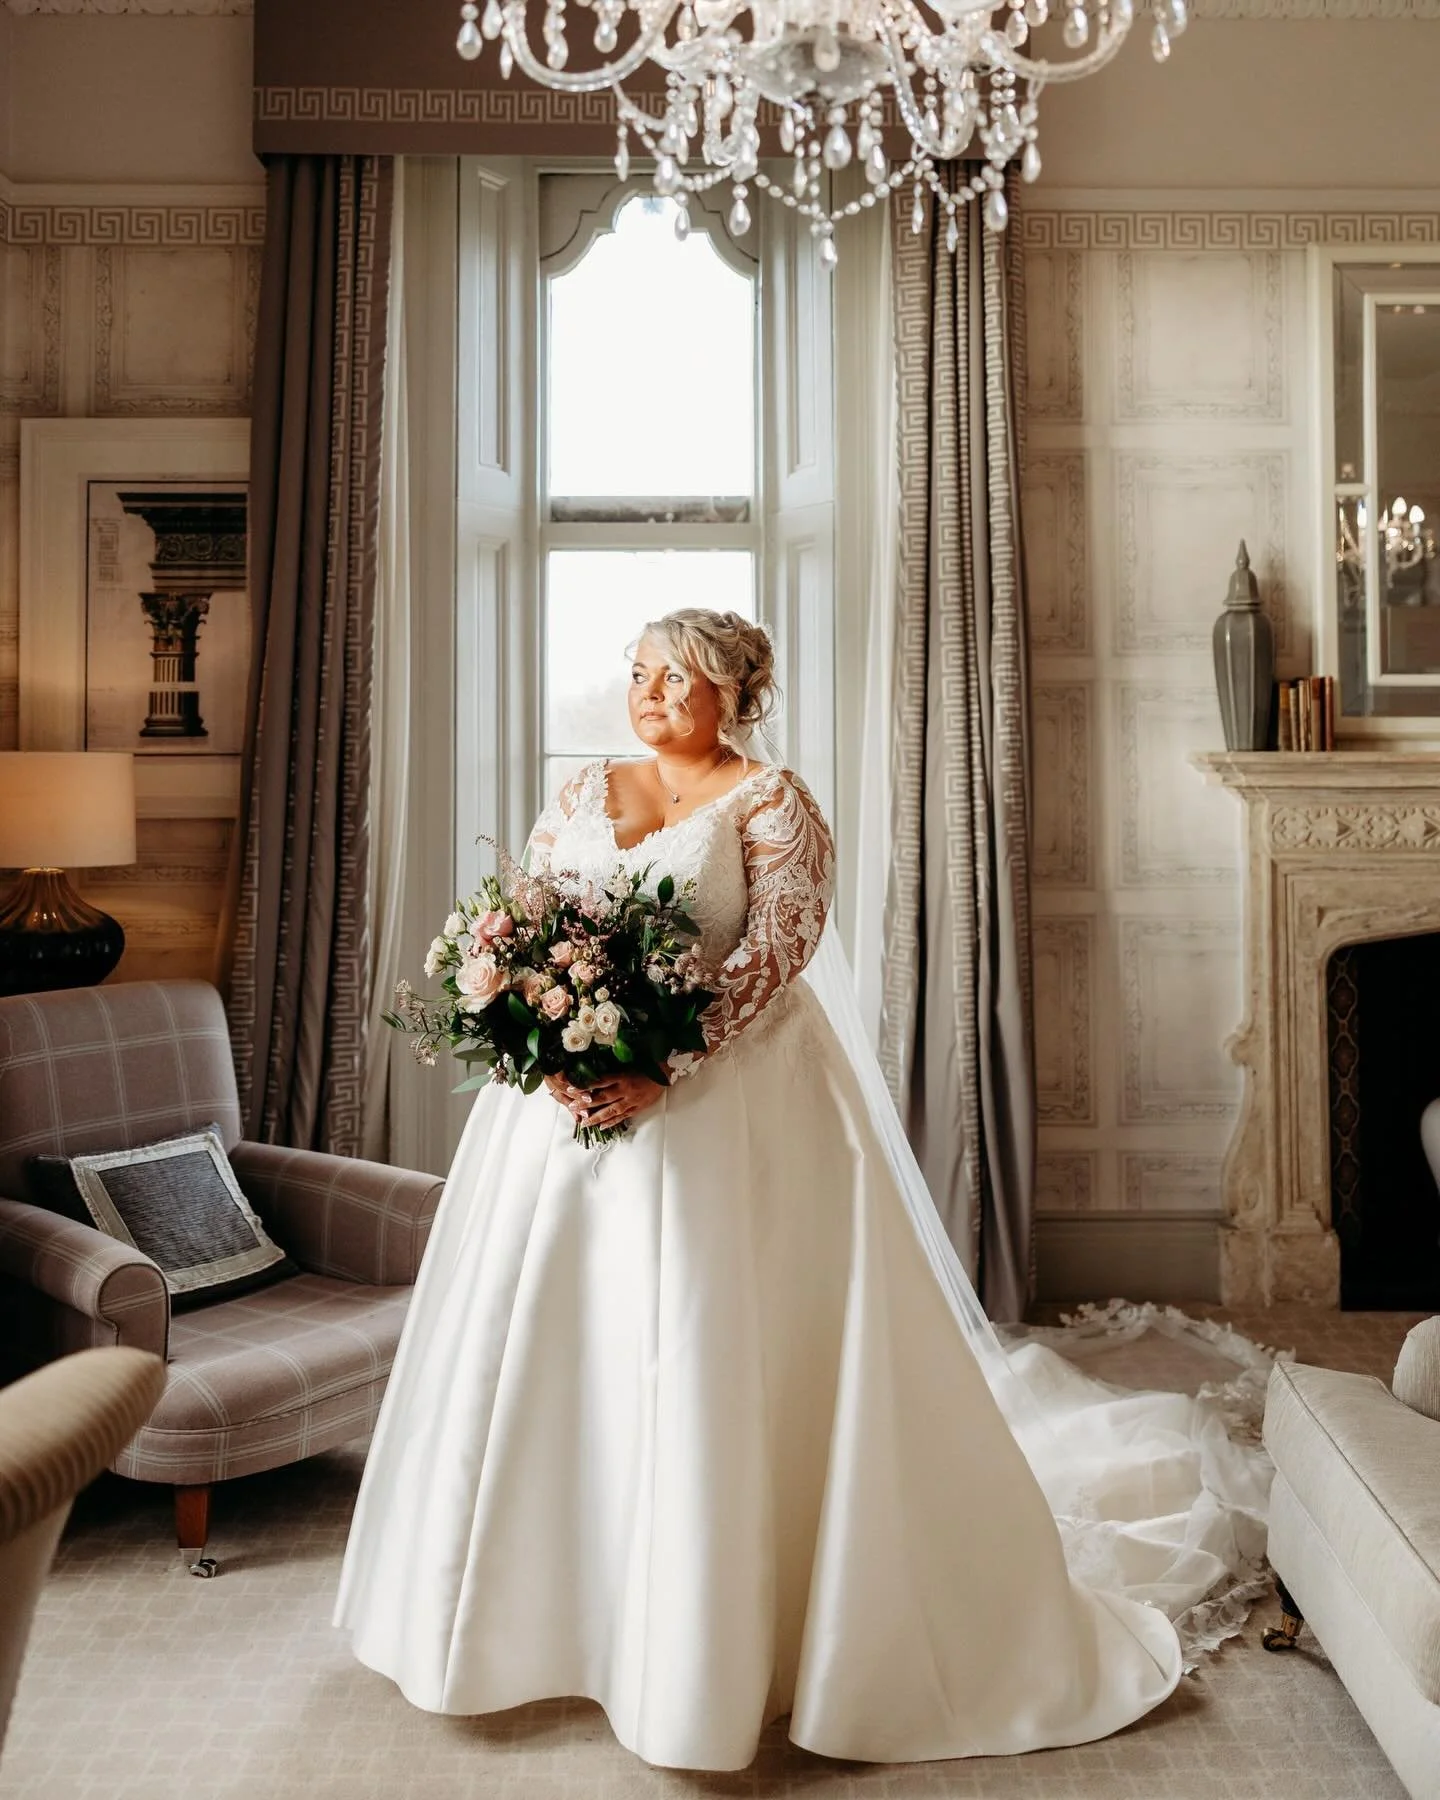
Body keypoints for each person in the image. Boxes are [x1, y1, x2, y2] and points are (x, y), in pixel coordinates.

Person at [335, 608, 1262, 1770]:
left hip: (731, 1111)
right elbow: (526, 924)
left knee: (709, 1351)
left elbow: (777, 949)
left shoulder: (773, 803)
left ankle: (711, 1649)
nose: (650, 695)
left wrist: (660, 1066)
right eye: (639, 674)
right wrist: (547, 1045)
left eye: (676, 679)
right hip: (557, 1119)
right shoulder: (581, 791)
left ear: (733, 693)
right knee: (553, 1348)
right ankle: (537, 1617)